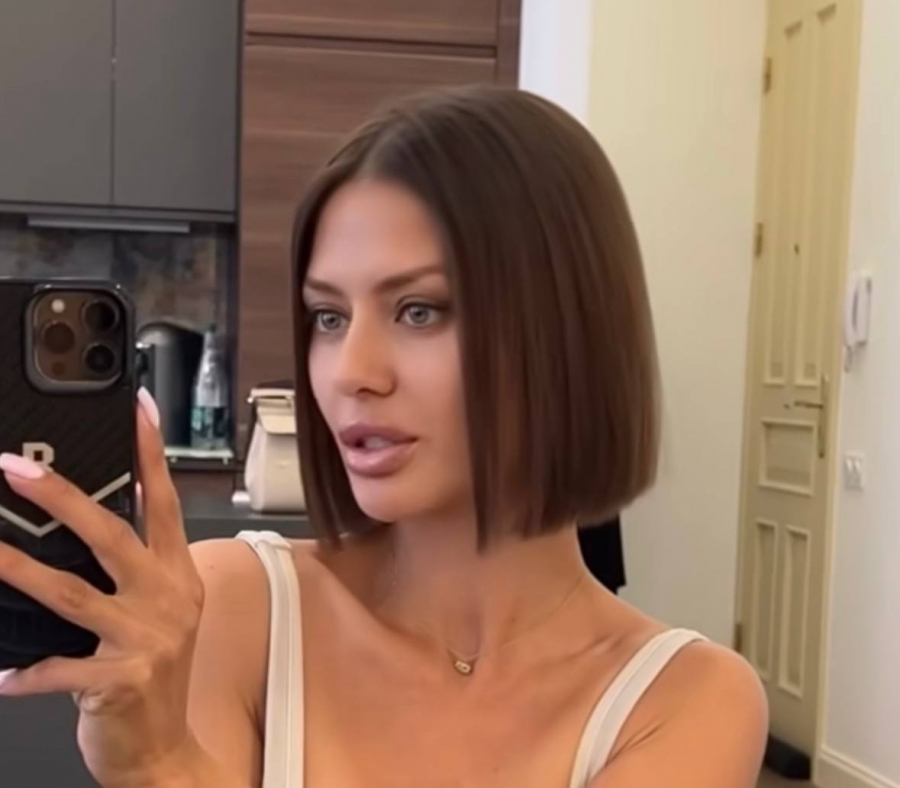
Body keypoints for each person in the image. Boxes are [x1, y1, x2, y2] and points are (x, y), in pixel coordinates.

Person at [0, 86, 767, 788]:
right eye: (330, 317)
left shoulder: (686, 699)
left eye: (419, 311)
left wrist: (166, 766)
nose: (350, 373)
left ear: (568, 332)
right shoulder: (234, 606)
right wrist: (152, 761)